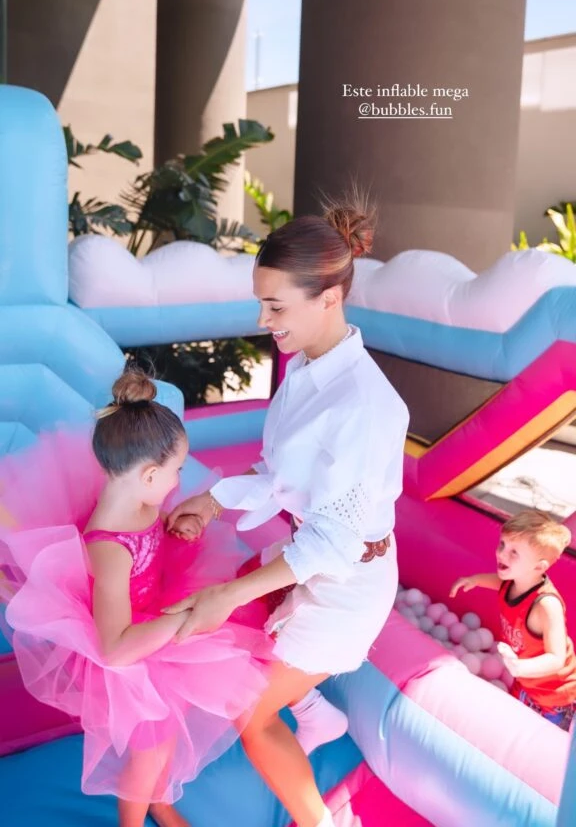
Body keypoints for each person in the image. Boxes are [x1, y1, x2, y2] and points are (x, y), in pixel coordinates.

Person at [164, 197, 410, 827]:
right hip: (312, 554)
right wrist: (212, 500)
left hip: (346, 581)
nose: (262, 320)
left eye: (275, 306)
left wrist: (229, 594)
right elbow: (281, 474)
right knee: (231, 621)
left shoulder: (364, 406)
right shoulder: (304, 365)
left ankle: (322, 821)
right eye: (261, 303)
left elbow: (332, 544)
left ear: (329, 298)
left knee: (251, 717)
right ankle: (316, 712)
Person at [0, 369, 269, 827]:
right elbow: (113, 649)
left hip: (153, 613)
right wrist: (185, 618)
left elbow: (151, 545)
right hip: (130, 654)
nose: (178, 481)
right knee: (151, 750)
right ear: (149, 474)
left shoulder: (140, 499)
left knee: (171, 728)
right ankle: (135, 818)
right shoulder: (109, 548)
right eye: (176, 471)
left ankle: (158, 800)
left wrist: (177, 529)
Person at [451, 510, 576, 731]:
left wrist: (520, 667)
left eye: (514, 552)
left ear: (539, 567)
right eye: (502, 544)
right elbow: (498, 583)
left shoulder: (546, 606)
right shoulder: (513, 581)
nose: (502, 554)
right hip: (526, 683)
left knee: (544, 741)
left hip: (556, 696)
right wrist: (474, 580)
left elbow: (556, 658)